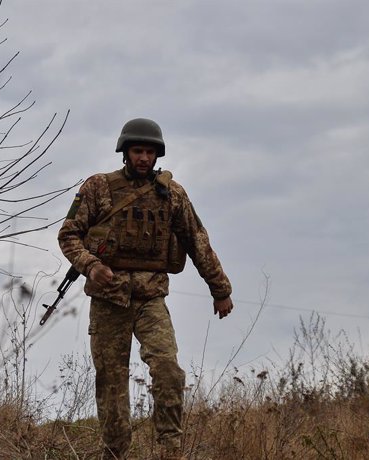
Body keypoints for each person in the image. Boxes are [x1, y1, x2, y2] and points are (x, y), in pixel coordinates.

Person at [58, 118, 234, 459]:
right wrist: (91, 266)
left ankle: (169, 450)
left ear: (157, 155)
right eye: (137, 151)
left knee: (168, 370)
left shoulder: (172, 194)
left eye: (149, 152)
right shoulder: (98, 188)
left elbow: (197, 241)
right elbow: (69, 235)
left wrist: (220, 289)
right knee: (111, 382)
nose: (143, 157)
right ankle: (115, 452)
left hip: (151, 298)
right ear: (126, 152)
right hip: (109, 300)